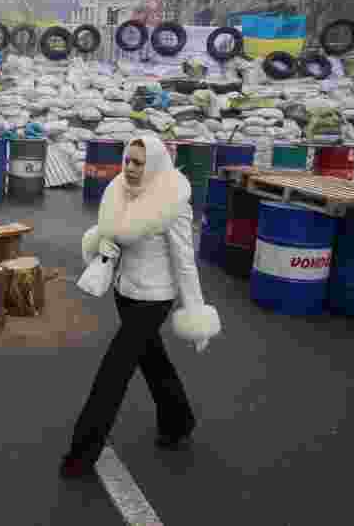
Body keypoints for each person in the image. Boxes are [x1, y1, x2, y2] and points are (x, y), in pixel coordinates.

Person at [61, 134, 221, 479]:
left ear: (155, 164)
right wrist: (102, 245)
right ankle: (179, 420)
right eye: (128, 161)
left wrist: (195, 312)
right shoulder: (120, 191)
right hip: (125, 292)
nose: (130, 168)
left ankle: (80, 454)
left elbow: (185, 263)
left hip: (154, 298)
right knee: (153, 361)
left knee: (113, 371)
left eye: (139, 162)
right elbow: (111, 231)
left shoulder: (172, 203)